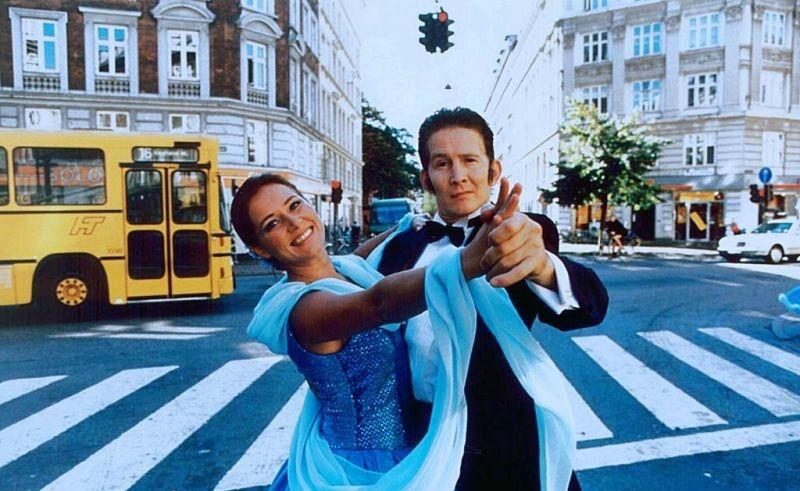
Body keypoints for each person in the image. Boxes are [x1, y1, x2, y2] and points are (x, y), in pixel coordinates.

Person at [363, 107, 609, 490]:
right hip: (417, 438)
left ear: (493, 172)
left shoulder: (521, 230)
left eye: (469, 160)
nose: (458, 176)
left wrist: (542, 266)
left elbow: (586, 307)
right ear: (426, 179)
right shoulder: (401, 244)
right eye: (442, 163)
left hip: (502, 442)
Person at [231, 172, 523, 489]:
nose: (294, 222)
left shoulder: (344, 269)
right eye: (273, 224)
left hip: (398, 454)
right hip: (360, 471)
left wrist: (403, 226)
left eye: (295, 205)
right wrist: (466, 261)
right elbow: (378, 304)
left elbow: (360, 255)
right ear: (259, 248)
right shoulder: (305, 309)